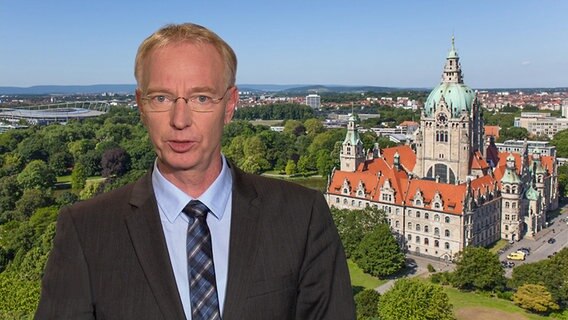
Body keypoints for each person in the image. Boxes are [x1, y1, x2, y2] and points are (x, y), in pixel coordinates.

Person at [36, 23, 355, 320]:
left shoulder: (302, 215)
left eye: (201, 98)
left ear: (230, 105)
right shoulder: (86, 229)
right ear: (141, 106)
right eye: (161, 97)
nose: (179, 119)